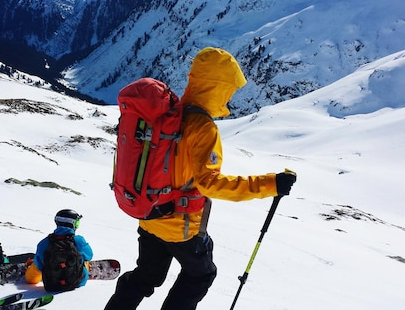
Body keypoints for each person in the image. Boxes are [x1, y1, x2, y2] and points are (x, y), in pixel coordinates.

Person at [104, 47, 297, 310]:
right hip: (181, 229)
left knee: (146, 276)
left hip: (149, 216)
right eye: (229, 89)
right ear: (218, 87)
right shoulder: (203, 127)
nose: (230, 96)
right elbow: (211, 184)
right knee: (200, 274)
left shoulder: (169, 115)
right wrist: (271, 184)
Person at [24, 209, 93, 290]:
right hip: (78, 283)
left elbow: (40, 265)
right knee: (84, 258)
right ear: (73, 224)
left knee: (37, 265)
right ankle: (85, 267)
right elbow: (89, 255)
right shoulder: (79, 240)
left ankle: (31, 269)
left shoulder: (44, 243)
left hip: (51, 284)